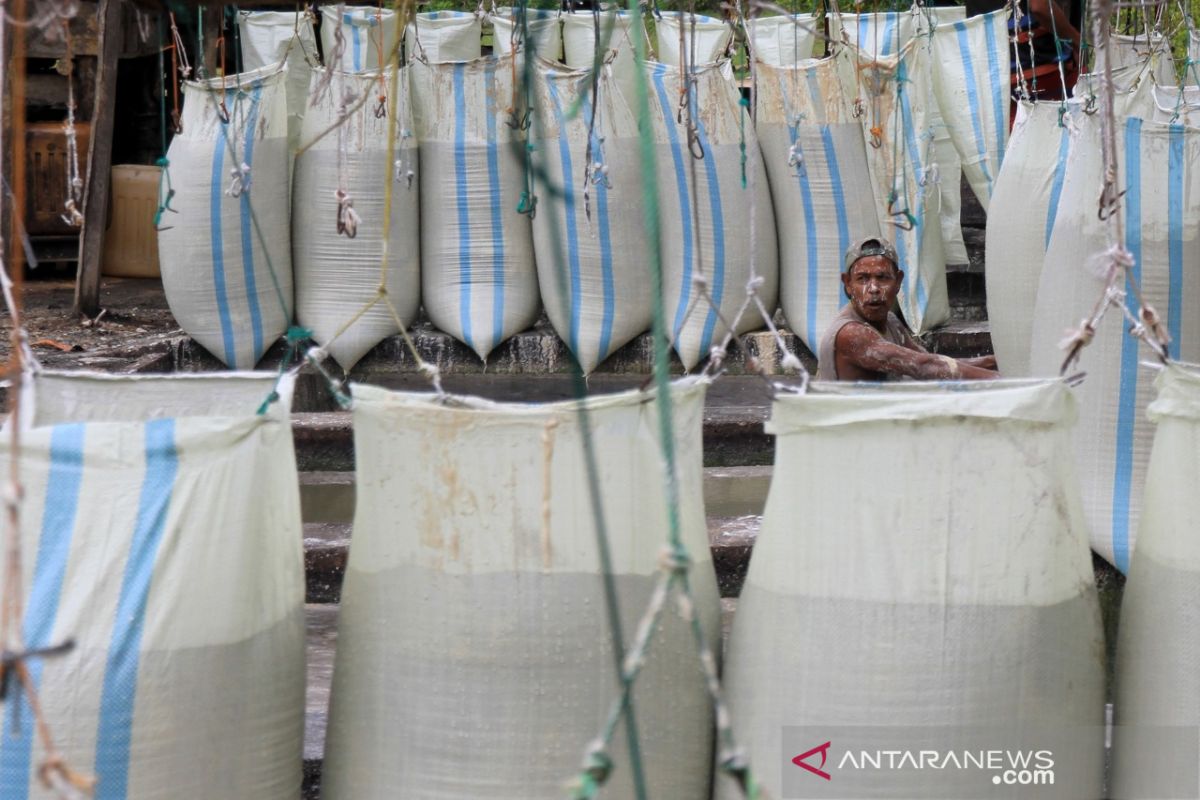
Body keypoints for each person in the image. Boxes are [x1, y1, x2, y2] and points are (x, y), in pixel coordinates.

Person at [816, 237, 999, 382]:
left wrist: (992, 362)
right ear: (847, 284)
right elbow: (923, 366)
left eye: (882, 278)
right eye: (863, 279)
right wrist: (1003, 381)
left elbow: (931, 360)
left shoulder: (890, 322)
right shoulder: (851, 333)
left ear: (898, 282)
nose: (873, 289)